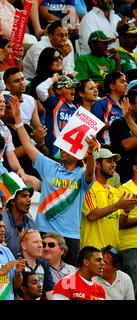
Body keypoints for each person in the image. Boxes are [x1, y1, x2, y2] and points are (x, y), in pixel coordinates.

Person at [9, 94, 97, 267]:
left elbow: (90, 174)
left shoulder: (81, 174)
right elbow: (28, 146)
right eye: (62, 147)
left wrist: (92, 153)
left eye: (68, 148)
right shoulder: (49, 166)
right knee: (42, 278)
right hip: (44, 232)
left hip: (70, 236)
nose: (63, 150)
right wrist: (18, 120)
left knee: (67, 279)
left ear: (80, 153)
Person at [80, 148, 137, 249]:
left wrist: (126, 211)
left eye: (114, 161)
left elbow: (120, 225)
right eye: (109, 161)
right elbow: (92, 215)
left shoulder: (115, 191)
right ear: (97, 164)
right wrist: (118, 205)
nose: (114, 165)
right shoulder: (89, 187)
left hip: (113, 250)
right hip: (93, 249)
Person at [36, 73, 79, 158]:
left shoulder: (75, 108)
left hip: (70, 152)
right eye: (69, 87)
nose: (73, 89)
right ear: (58, 91)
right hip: (54, 151)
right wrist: (52, 80)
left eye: (73, 87)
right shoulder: (53, 103)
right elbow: (40, 89)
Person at [0, 172, 36, 258]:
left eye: (29, 196)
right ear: (13, 201)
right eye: (24, 196)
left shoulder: (31, 223)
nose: (29, 199)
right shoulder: (0, 221)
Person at [117, 152, 137, 298]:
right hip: (130, 247)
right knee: (132, 291)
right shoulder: (126, 189)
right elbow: (120, 223)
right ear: (135, 168)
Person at [90, 71, 127, 145]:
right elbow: (94, 128)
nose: (126, 84)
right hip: (106, 147)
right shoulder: (100, 103)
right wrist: (116, 122)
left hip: (123, 146)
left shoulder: (124, 104)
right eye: (122, 82)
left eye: (126, 81)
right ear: (112, 86)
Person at [19, 228, 55, 299]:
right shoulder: (16, 263)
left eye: (41, 242)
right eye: (35, 242)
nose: (41, 245)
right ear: (24, 245)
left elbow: (50, 292)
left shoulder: (44, 264)